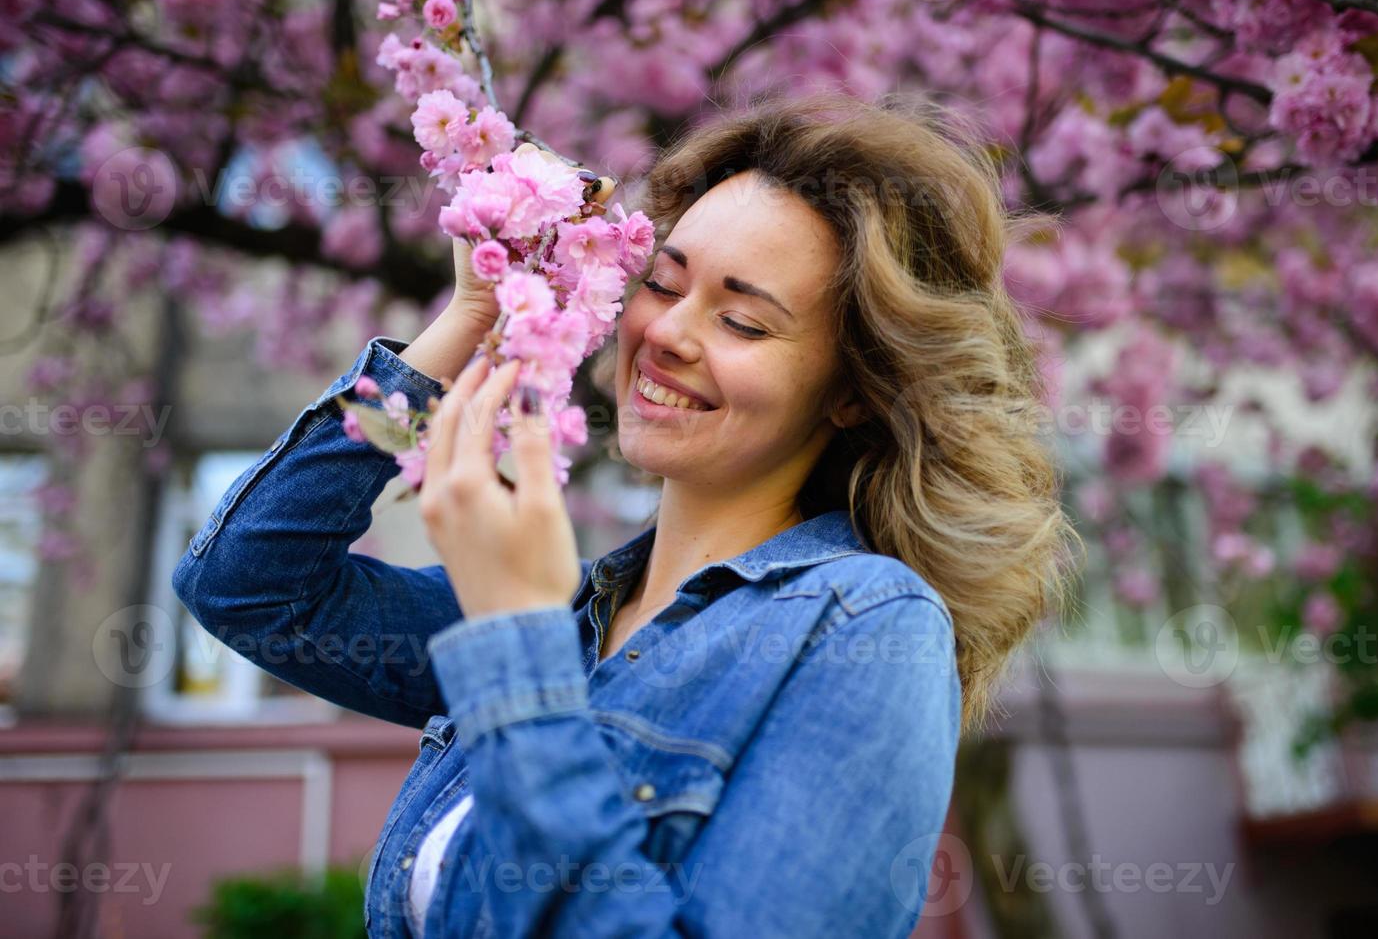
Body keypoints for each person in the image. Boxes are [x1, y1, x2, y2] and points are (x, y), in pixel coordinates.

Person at [172, 89, 1078, 938]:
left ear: (851, 392)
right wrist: (466, 320)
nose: (670, 332)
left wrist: (516, 653)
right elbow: (248, 587)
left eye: (745, 323)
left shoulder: (864, 629)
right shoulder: (571, 615)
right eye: (663, 281)